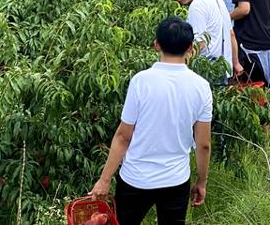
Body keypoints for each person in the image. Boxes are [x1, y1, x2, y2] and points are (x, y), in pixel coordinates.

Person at [90, 17, 212, 225]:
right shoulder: (201, 86)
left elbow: (123, 136)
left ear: (157, 44)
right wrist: (201, 181)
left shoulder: (141, 81)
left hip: (135, 178)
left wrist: (104, 179)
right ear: (191, 48)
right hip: (175, 180)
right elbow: (203, 144)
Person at [165, 0, 243, 81]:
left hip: (208, 70)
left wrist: (178, 65)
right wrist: (235, 63)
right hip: (224, 68)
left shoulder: (197, 5)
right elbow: (230, 34)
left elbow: (199, 43)